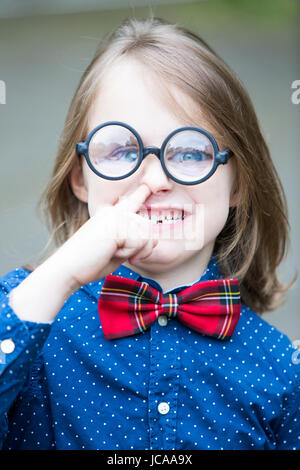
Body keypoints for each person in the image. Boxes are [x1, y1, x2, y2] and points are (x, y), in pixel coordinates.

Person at [0, 16, 299, 451]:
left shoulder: (278, 367)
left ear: (238, 181)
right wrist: (56, 278)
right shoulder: (26, 312)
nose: (156, 178)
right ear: (79, 176)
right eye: (122, 149)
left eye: (191, 151)